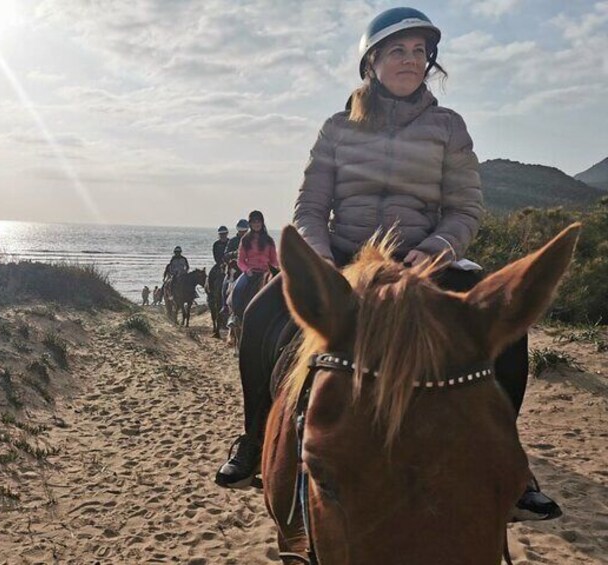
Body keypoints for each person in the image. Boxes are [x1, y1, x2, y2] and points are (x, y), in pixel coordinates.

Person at [214, 7, 560, 521]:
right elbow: (310, 207)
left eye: (421, 51)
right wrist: (322, 260)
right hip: (345, 256)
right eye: (398, 49)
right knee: (264, 310)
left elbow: (465, 207)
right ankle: (252, 435)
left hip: (422, 259)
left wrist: (438, 248)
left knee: (504, 323)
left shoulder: (449, 127)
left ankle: (510, 462)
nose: (412, 59)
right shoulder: (336, 128)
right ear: (371, 61)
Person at [227, 210, 278, 327]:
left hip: (266, 272)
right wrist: (247, 270)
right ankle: (235, 316)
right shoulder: (245, 240)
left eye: (258, 221)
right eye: (254, 222)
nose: (256, 224)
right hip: (251, 272)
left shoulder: (269, 240)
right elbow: (240, 260)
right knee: (238, 289)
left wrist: (274, 269)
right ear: (250, 224)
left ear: (262, 223)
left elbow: (274, 260)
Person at [220, 219, 249, 315]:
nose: (243, 233)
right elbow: (225, 255)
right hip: (235, 268)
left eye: (244, 231)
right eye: (241, 231)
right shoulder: (233, 241)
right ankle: (224, 306)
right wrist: (235, 253)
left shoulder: (251, 240)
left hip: (249, 268)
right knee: (225, 283)